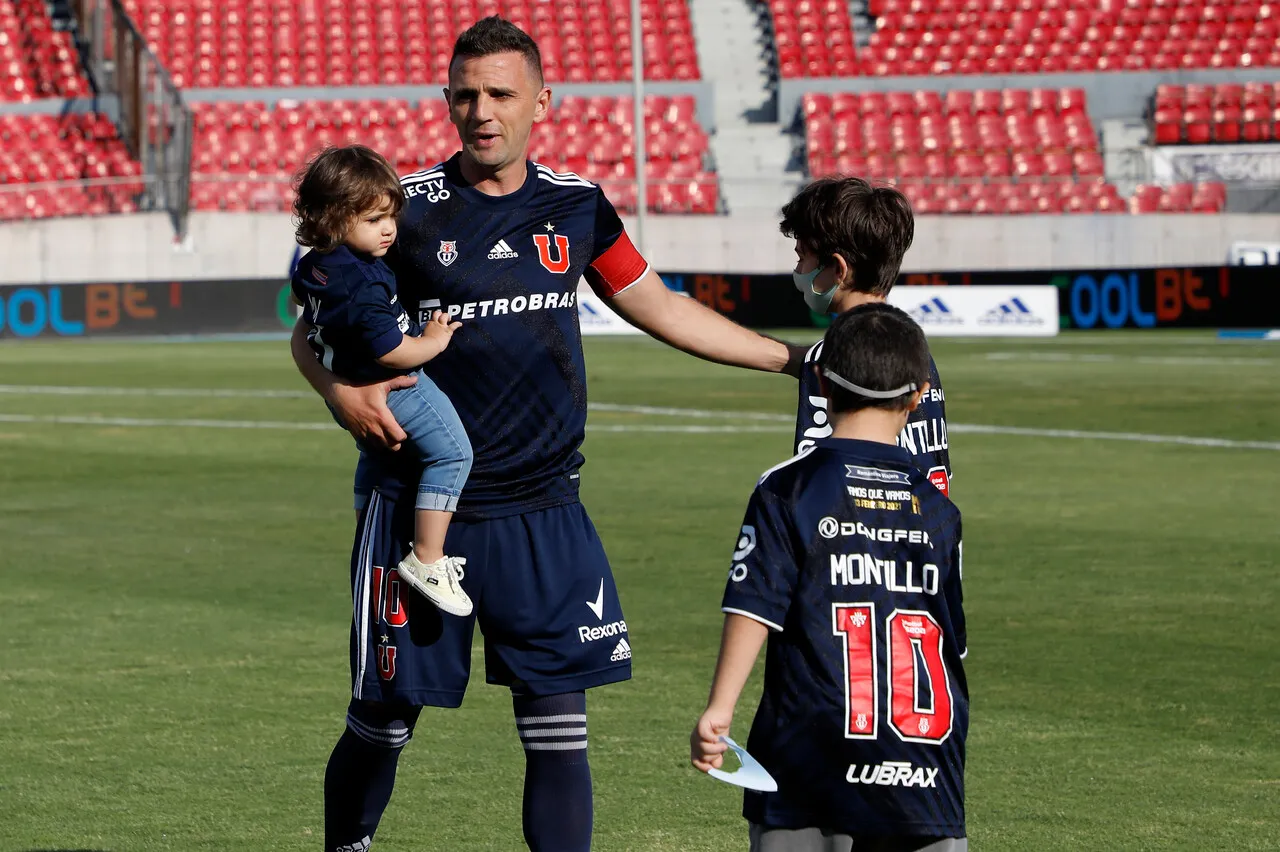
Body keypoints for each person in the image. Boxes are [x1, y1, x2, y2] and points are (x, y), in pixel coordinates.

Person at [287, 16, 797, 852]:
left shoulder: (577, 207)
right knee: (384, 722)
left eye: (501, 94)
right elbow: (309, 326)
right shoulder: (401, 210)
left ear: (542, 102)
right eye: (466, 95)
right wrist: (338, 392)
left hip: (546, 509)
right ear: (446, 101)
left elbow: (659, 306)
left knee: (559, 733)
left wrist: (794, 361)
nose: (482, 112)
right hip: (419, 511)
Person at [691, 302, 968, 852]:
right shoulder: (939, 509)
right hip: (923, 766)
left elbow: (754, 603)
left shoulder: (789, 487)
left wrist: (720, 708)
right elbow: (951, 645)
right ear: (918, 397)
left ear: (819, 383)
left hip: (809, 755)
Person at [291, 145, 474, 618]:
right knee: (454, 454)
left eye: (391, 216)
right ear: (333, 219)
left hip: (345, 384)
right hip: (393, 386)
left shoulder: (315, 265)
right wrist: (433, 340)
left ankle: (365, 527)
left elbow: (304, 317)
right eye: (374, 219)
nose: (389, 228)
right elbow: (392, 351)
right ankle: (428, 558)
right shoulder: (363, 281)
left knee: (373, 458)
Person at [783, 178, 953, 497]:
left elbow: (824, 492)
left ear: (838, 269)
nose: (798, 269)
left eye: (802, 257)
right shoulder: (913, 351)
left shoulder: (838, 358)